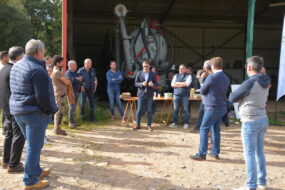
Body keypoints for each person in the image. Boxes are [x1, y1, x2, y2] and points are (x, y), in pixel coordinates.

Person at [10, 39, 58, 189]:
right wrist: (48, 111)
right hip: (33, 113)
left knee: (34, 144)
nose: (44, 54)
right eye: (43, 52)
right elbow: (42, 97)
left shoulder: (17, 65)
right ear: (38, 53)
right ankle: (30, 181)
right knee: (34, 146)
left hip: (19, 111)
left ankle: (36, 170)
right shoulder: (37, 70)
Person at [229, 56, 270, 190]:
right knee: (259, 152)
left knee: (250, 153)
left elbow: (232, 97)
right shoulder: (266, 79)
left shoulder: (250, 82)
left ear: (249, 68)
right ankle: (262, 182)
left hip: (250, 120)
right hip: (262, 118)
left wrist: (242, 99)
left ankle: (251, 186)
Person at [191, 57, 229, 160]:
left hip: (213, 107)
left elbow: (202, 90)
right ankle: (215, 152)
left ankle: (202, 153)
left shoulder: (212, 77)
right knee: (216, 130)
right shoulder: (225, 77)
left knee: (204, 128)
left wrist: (202, 80)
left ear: (212, 66)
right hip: (222, 107)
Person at [0, 46, 25, 173]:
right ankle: (13, 164)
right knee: (18, 135)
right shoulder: (14, 69)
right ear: (20, 56)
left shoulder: (4, 68)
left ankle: (6, 160)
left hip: (5, 107)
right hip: (14, 108)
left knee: (9, 134)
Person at [134, 60, 158, 132]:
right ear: (142, 66)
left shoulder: (153, 74)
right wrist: (141, 84)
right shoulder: (139, 73)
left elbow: (157, 84)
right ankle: (138, 124)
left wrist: (153, 85)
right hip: (141, 94)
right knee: (139, 110)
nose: (145, 67)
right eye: (144, 66)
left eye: (146, 66)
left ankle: (149, 125)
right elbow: (135, 83)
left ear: (149, 66)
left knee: (149, 110)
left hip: (149, 95)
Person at [169, 64, 192, 129]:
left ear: (185, 69)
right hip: (176, 95)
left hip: (185, 96)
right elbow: (172, 84)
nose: (180, 70)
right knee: (175, 110)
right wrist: (182, 84)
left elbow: (187, 84)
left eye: (182, 68)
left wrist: (178, 83)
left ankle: (186, 123)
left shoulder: (189, 76)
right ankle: (174, 123)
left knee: (185, 110)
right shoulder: (176, 75)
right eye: (179, 68)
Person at [51, 55, 70, 135]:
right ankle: (56, 129)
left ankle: (57, 127)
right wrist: (68, 80)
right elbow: (67, 82)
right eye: (61, 62)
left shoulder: (56, 71)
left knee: (60, 111)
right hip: (59, 94)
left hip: (60, 94)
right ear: (57, 63)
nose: (63, 63)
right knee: (59, 111)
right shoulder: (57, 72)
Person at [193, 60, 212, 132]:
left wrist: (201, 80)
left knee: (206, 113)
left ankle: (205, 129)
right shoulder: (205, 74)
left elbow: (203, 88)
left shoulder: (210, 76)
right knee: (201, 112)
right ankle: (198, 126)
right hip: (205, 98)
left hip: (208, 98)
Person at [65, 60, 82, 128]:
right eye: (75, 65)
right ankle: (71, 123)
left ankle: (73, 122)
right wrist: (77, 79)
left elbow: (80, 78)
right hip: (70, 93)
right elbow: (70, 80)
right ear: (71, 66)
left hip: (77, 92)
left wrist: (77, 79)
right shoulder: (67, 73)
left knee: (74, 108)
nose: (76, 66)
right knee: (71, 108)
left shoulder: (75, 73)